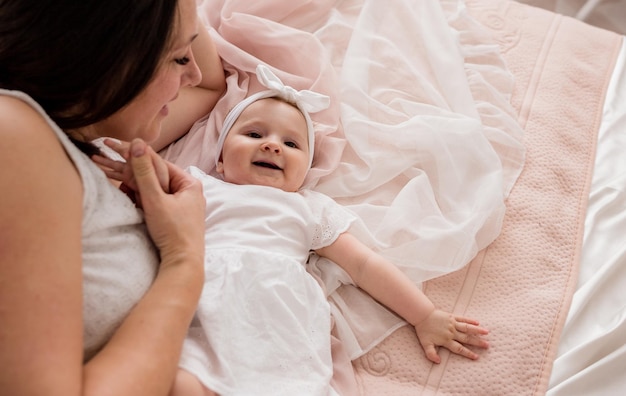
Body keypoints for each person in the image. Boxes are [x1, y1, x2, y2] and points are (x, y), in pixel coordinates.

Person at [97, 65, 490, 396]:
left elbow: (365, 266)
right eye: (254, 134)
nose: (272, 146)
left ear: (305, 172)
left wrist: (424, 315)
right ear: (218, 158)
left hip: (279, 318)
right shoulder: (198, 184)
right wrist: (139, 173)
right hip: (203, 305)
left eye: (291, 143)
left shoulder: (307, 208)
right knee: (181, 384)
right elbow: (152, 183)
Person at [0, 0, 226, 395]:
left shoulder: (91, 126)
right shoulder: (14, 133)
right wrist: (185, 260)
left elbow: (211, 86)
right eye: (178, 58)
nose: (194, 72)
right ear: (108, 55)